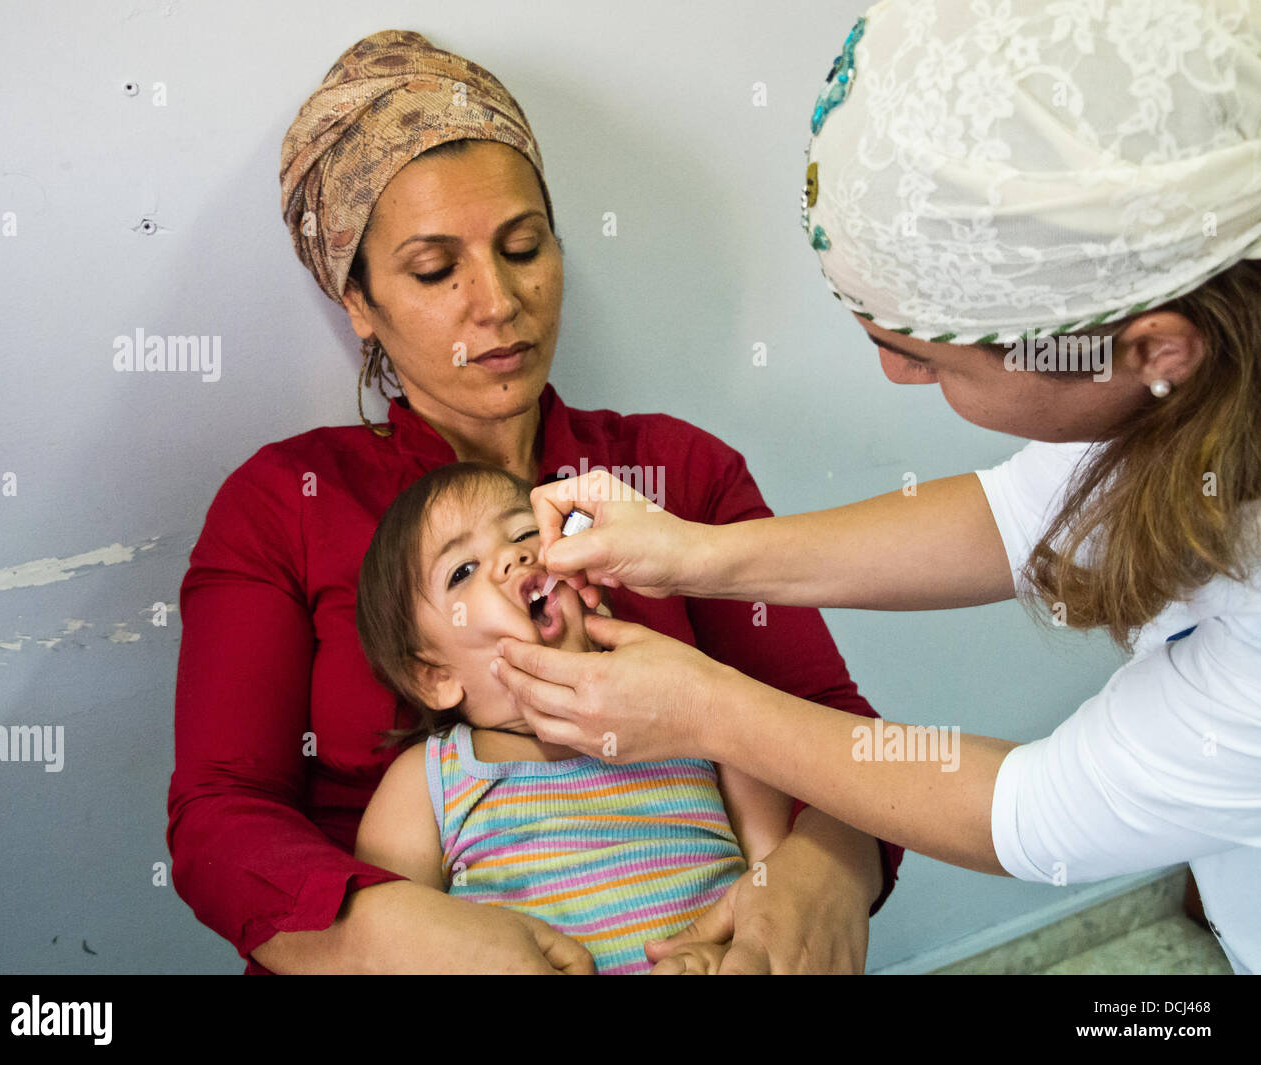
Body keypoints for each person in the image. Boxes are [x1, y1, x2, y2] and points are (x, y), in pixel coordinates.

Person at [493, 0, 1261, 974]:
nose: (897, 380)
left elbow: (1034, 813)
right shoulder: (1188, 382)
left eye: (930, 363)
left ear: (1151, 346)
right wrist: (695, 554)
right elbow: (1027, 518)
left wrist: (707, 712)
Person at [167, 29, 901, 975]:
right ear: (359, 302)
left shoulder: (679, 471)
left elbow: (828, 723)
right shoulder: (281, 504)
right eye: (436, 271)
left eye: (523, 246)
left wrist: (820, 872)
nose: (499, 301)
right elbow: (221, 816)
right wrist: (394, 931)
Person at [352, 461, 795, 974]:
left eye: (524, 533)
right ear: (434, 677)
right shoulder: (429, 782)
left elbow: (777, 887)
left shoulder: (687, 705)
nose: (514, 556)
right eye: (463, 571)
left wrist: (734, 955)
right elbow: (391, 942)